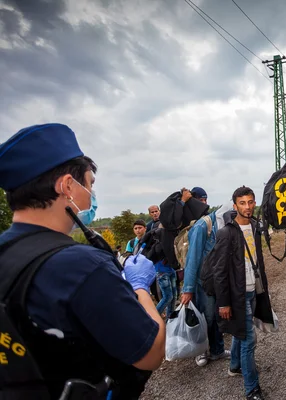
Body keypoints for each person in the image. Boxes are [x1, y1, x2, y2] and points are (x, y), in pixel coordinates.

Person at [0, 123, 165, 398]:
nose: (91, 194)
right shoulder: (83, 266)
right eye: (89, 184)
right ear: (67, 186)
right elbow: (152, 352)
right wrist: (140, 287)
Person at [213, 186, 274, 400]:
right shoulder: (226, 232)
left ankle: (235, 366)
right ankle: (252, 389)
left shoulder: (256, 227)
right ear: (234, 205)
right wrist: (223, 304)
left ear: (254, 203)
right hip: (237, 295)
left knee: (241, 332)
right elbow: (219, 272)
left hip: (253, 290)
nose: (247, 207)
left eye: (250, 202)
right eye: (242, 203)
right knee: (249, 340)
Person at [181, 188, 230, 367]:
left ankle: (217, 350)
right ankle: (200, 351)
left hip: (218, 280)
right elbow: (192, 259)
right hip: (203, 283)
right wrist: (188, 289)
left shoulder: (227, 225)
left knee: (216, 316)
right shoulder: (203, 226)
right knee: (204, 317)